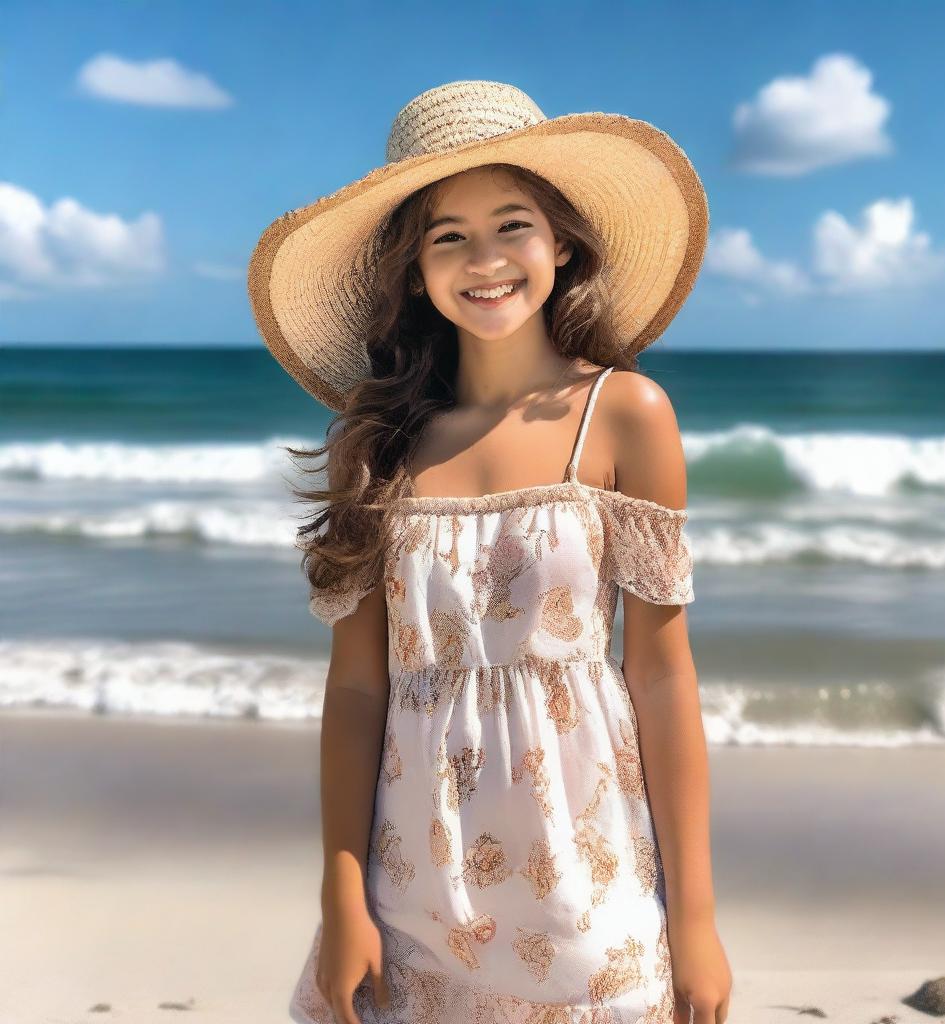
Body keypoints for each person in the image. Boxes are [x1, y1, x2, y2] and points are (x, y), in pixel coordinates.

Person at [248, 79, 731, 1024]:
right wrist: (341, 899)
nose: (487, 259)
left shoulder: (625, 413)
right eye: (448, 236)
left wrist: (700, 919)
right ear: (414, 270)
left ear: (561, 243)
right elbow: (356, 691)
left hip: (589, 876)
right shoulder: (375, 445)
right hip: (412, 880)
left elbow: (663, 676)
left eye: (513, 224)